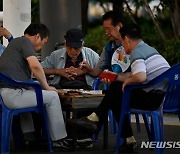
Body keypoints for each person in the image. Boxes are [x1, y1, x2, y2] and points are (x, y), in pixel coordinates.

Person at [68, 24, 171, 153]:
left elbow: (139, 77)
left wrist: (126, 81)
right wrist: (117, 77)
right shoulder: (149, 50)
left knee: (116, 93)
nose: (122, 45)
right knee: (116, 95)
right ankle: (127, 139)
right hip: (165, 97)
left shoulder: (136, 52)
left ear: (127, 39)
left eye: (122, 41)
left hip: (153, 99)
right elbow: (135, 74)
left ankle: (96, 119)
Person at [0, 23, 67, 150]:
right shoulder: (25, 42)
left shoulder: (15, 44)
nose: (43, 46)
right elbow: (36, 66)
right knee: (52, 96)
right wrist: (46, 87)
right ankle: (59, 140)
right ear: (37, 37)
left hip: (5, 94)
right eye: (44, 42)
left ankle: (29, 138)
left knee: (30, 92)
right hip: (12, 95)